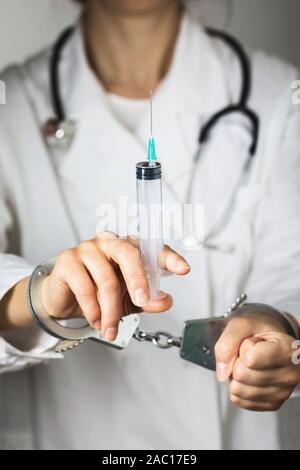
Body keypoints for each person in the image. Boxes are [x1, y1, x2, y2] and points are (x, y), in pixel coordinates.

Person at [0, 0, 300, 450]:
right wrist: (41, 295)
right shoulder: (12, 105)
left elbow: (293, 274)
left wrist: (280, 325)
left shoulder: (279, 95)